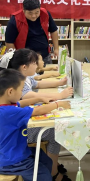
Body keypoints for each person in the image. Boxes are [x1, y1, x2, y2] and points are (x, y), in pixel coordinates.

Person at [0, 49, 72, 181]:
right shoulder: (10, 112)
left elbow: (21, 103)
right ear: (10, 92)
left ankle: (52, 171)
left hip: (14, 153)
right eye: (20, 90)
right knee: (44, 176)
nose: (22, 92)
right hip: (13, 161)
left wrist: (37, 100)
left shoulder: (7, 105)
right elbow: (37, 111)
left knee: (46, 161)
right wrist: (58, 104)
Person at [5, 0, 59, 64]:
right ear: (23, 10)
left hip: (44, 56)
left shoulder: (45, 14)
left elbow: (53, 30)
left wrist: (56, 48)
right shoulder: (15, 20)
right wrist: (16, 59)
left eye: (37, 12)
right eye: (30, 13)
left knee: (48, 73)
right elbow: (9, 42)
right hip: (25, 59)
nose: (34, 16)